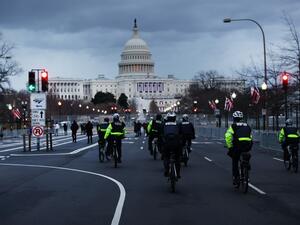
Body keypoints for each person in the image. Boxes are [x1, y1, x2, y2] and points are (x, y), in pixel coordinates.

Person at [225, 111, 253, 186]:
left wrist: (229, 146)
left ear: (234, 118)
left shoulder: (233, 126)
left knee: (235, 160)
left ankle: (236, 177)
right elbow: (250, 136)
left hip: (238, 145)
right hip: (247, 144)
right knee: (246, 155)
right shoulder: (247, 125)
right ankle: (247, 167)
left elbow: (228, 136)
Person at [162, 112, 182, 178]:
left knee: (166, 157)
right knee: (177, 158)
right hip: (176, 143)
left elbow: (161, 133)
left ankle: (166, 170)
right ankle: (178, 173)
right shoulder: (178, 124)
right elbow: (181, 133)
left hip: (167, 143)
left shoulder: (164, 124)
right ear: (174, 118)